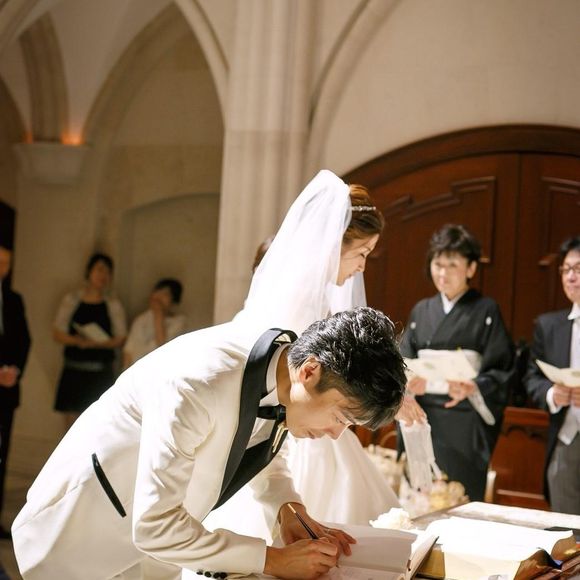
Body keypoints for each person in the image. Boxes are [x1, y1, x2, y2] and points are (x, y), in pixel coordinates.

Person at [12, 307, 407, 580]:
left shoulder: (279, 370)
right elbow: (154, 527)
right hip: (81, 539)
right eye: (340, 417)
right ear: (310, 371)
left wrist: (288, 508)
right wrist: (272, 560)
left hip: (151, 558)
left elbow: (262, 446)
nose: (336, 434)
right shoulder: (199, 383)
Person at [205, 170, 423, 540]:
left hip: (319, 419)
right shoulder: (296, 296)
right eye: (361, 253)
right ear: (334, 244)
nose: (362, 267)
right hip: (298, 425)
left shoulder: (315, 292)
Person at [400, 224, 514, 501]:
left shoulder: (486, 310)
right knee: (421, 498)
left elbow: (502, 368)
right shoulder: (421, 310)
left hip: (464, 419)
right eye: (438, 264)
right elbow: (403, 360)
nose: (443, 273)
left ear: (471, 268)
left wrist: (473, 386)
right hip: (424, 415)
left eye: (452, 265)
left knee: (459, 496)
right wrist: (409, 382)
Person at [525, 236, 580, 515]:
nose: (571, 277)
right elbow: (531, 378)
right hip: (566, 437)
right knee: (566, 530)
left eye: (578, 269)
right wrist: (552, 394)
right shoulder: (549, 326)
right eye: (566, 269)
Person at [53, 253, 127, 430]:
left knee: (99, 425)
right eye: (99, 270)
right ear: (89, 272)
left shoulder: (112, 304)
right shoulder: (72, 300)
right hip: (74, 369)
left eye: (108, 272)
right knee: (71, 426)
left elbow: (120, 337)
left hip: (100, 372)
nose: (103, 275)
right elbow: (57, 332)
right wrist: (77, 341)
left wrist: (99, 343)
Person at [0, 242, 30, 540]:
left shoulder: (13, 299)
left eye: (7, 264)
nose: (3, 269)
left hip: (7, 390)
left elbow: (24, 340)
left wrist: (14, 371)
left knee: (2, 457)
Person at [123, 278, 186, 369]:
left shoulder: (179, 322)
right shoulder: (141, 319)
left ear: (173, 300)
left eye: (165, 294)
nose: (158, 297)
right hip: (136, 372)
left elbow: (163, 346)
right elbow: (128, 350)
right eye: (157, 291)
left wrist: (158, 315)